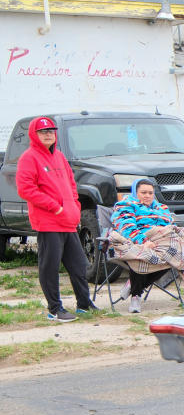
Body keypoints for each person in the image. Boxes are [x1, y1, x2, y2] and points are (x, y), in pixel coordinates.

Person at [15, 116, 97, 321]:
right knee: (50, 267)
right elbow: (25, 189)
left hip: (67, 221)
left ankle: (84, 304)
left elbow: (71, 185)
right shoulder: (29, 157)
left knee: (79, 265)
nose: (48, 134)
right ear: (34, 134)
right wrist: (55, 207)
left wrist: (74, 207)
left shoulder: (59, 156)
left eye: (51, 131)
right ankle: (54, 309)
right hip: (48, 222)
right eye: (43, 132)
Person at [109, 178, 184, 312]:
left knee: (176, 251)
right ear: (135, 193)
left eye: (150, 193)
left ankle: (136, 289)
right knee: (146, 256)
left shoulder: (161, 208)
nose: (147, 196)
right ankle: (135, 296)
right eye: (143, 192)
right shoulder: (126, 205)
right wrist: (143, 241)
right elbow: (126, 227)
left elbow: (170, 226)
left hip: (164, 241)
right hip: (140, 239)